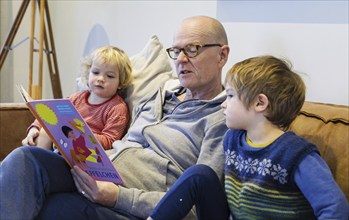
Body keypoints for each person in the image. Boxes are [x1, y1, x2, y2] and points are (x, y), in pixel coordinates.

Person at [0, 15, 230, 219]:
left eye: (193, 49)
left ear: (222, 55)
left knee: (53, 206)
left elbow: (196, 207)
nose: (180, 59)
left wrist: (117, 197)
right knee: (24, 160)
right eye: (177, 51)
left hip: (125, 203)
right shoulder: (160, 95)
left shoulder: (222, 119)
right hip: (97, 172)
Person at [148, 56, 349, 220]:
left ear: (260, 103)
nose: (223, 105)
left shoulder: (296, 154)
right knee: (199, 174)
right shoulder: (232, 139)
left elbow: (335, 208)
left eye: (230, 96)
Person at [21, 46, 132, 150]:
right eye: (96, 72)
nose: (101, 79)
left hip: (83, 156)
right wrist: (34, 129)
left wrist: (81, 134)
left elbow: (110, 141)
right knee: (44, 132)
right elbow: (50, 113)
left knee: (23, 156)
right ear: (88, 73)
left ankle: (33, 160)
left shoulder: (117, 108)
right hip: (57, 149)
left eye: (110, 76)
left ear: (120, 82)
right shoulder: (77, 98)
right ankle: (32, 158)